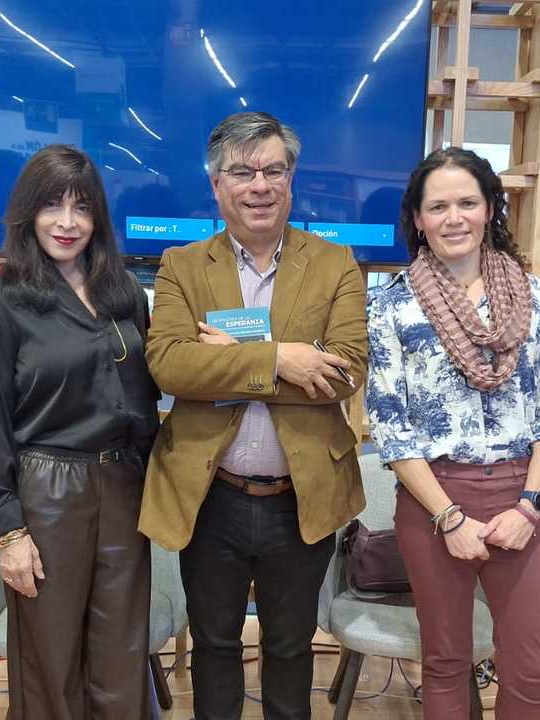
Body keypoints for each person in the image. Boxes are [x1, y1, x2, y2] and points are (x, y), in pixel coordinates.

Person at [138, 111, 368, 720]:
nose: (258, 185)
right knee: (214, 645)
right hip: (211, 495)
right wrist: (284, 360)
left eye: (273, 169)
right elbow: (170, 367)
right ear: (217, 185)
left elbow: (346, 374)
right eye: (242, 172)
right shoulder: (182, 266)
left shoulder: (335, 263)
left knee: (291, 648)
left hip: (303, 495)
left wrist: (234, 360)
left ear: (291, 179)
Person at [365, 147, 540, 719]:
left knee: (529, 665)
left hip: (523, 496)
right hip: (435, 501)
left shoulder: (537, 298)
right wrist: (448, 518)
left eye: (466, 202)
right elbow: (391, 425)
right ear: (417, 219)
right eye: (438, 206)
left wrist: (531, 506)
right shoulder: (389, 305)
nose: (453, 218)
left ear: (489, 211)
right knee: (446, 660)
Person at [0, 144, 160, 719]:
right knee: (49, 658)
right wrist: (8, 532)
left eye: (81, 207)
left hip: (124, 487)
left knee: (122, 649)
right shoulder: (2, 305)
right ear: (29, 214)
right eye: (52, 206)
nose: (67, 223)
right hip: (47, 494)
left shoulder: (123, 295)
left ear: (98, 217)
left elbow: (143, 400)